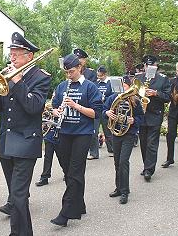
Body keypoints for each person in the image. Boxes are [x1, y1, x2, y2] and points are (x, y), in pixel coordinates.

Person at [0, 32, 51, 236]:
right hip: (6, 141)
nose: (12, 57)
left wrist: (18, 80)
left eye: (16, 54)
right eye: (11, 53)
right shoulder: (5, 76)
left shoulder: (41, 77)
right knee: (15, 196)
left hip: (25, 142)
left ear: (29, 56)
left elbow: (33, 107)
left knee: (19, 195)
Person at [50, 53, 103, 227]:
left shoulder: (90, 87)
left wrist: (76, 106)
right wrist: (56, 111)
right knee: (69, 173)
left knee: (75, 172)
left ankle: (66, 213)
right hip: (64, 133)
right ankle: (79, 204)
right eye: (66, 72)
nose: (69, 75)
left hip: (82, 133)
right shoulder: (62, 86)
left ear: (79, 68)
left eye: (71, 71)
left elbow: (96, 113)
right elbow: (55, 106)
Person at [105, 80, 144, 204]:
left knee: (123, 162)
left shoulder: (135, 100)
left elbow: (141, 117)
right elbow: (103, 109)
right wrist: (107, 113)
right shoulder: (112, 98)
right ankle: (119, 187)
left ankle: (125, 191)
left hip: (129, 134)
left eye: (125, 86)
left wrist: (133, 120)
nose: (123, 89)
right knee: (117, 162)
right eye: (122, 86)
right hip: (116, 133)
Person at [135, 55, 171, 182]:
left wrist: (156, 93)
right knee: (143, 143)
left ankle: (149, 170)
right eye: (147, 65)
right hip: (141, 115)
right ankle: (146, 166)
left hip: (155, 114)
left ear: (156, 66)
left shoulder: (163, 79)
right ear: (144, 66)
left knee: (152, 143)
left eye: (152, 66)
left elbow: (168, 97)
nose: (149, 68)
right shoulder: (138, 78)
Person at [88, 65, 113, 159]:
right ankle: (94, 153)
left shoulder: (110, 83)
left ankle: (112, 150)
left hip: (106, 110)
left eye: (101, 76)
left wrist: (105, 98)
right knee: (93, 132)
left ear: (105, 74)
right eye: (98, 76)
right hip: (96, 110)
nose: (99, 78)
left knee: (108, 131)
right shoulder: (96, 83)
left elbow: (114, 95)